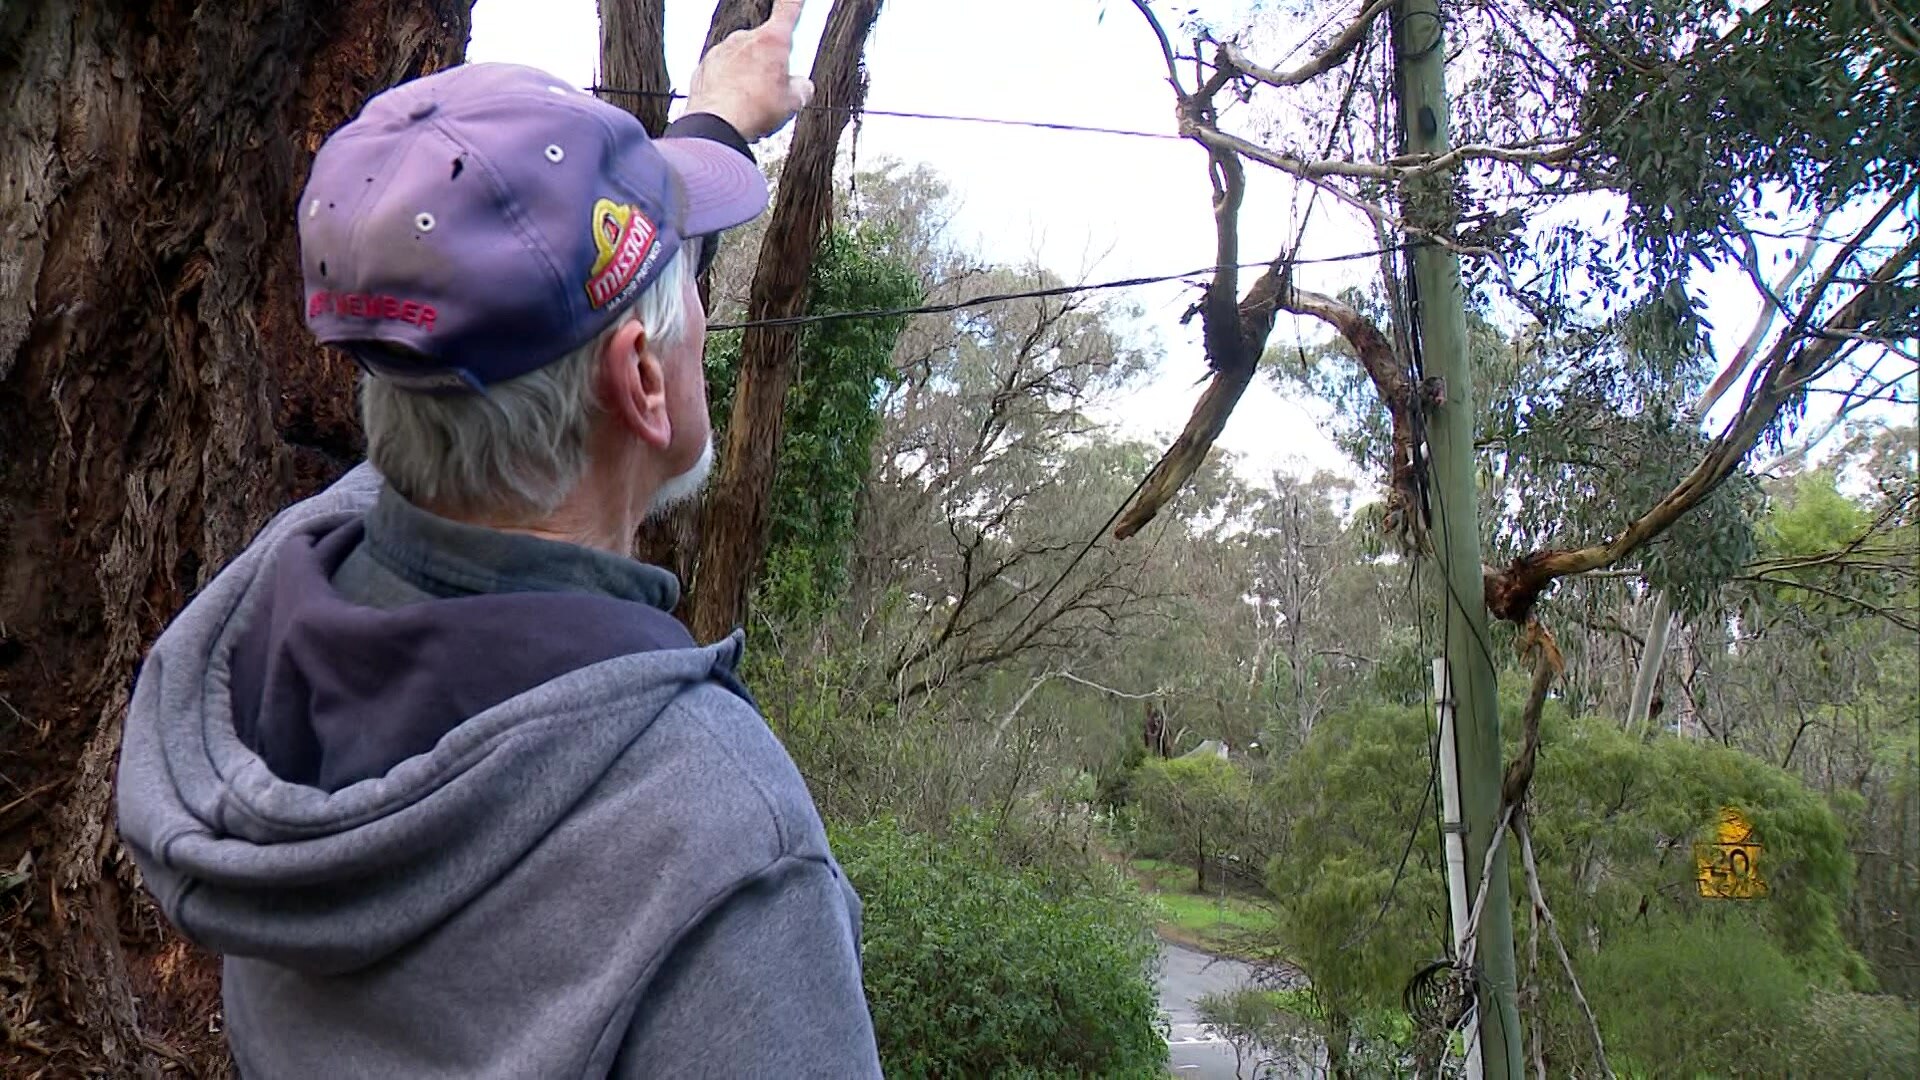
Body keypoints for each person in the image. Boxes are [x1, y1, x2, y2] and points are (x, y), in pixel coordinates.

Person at [115, 4, 885, 1077]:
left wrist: (713, 122)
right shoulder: (722, 846)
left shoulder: (259, 634)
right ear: (642, 382)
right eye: (684, 304)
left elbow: (511, 319)